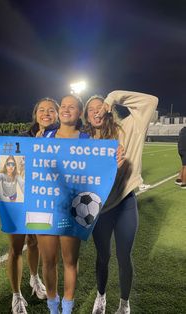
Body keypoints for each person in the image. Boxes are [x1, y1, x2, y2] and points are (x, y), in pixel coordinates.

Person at [83, 91, 158, 314]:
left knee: (124, 256)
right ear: (87, 117)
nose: (96, 111)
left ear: (108, 109)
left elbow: (151, 102)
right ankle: (101, 297)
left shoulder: (128, 128)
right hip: (100, 207)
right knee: (103, 256)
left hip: (126, 201)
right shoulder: (83, 142)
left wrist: (112, 96)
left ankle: (124, 304)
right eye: (91, 109)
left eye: (100, 107)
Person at [0, 98, 59, 314]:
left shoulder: (64, 139)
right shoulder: (22, 139)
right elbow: (7, 159)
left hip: (43, 199)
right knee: (16, 247)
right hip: (19, 198)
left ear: (57, 115)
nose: (46, 113)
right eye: (41, 110)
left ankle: (34, 278)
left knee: (34, 242)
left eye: (51, 110)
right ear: (35, 114)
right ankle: (16, 295)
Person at [36, 94, 90, 314]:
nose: (67, 109)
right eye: (64, 106)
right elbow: (25, 163)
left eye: (73, 107)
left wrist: (115, 159)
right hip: (44, 207)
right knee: (48, 261)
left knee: (69, 261)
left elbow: (96, 174)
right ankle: (52, 306)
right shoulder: (44, 136)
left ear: (79, 113)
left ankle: (67, 308)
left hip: (72, 209)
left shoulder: (87, 141)